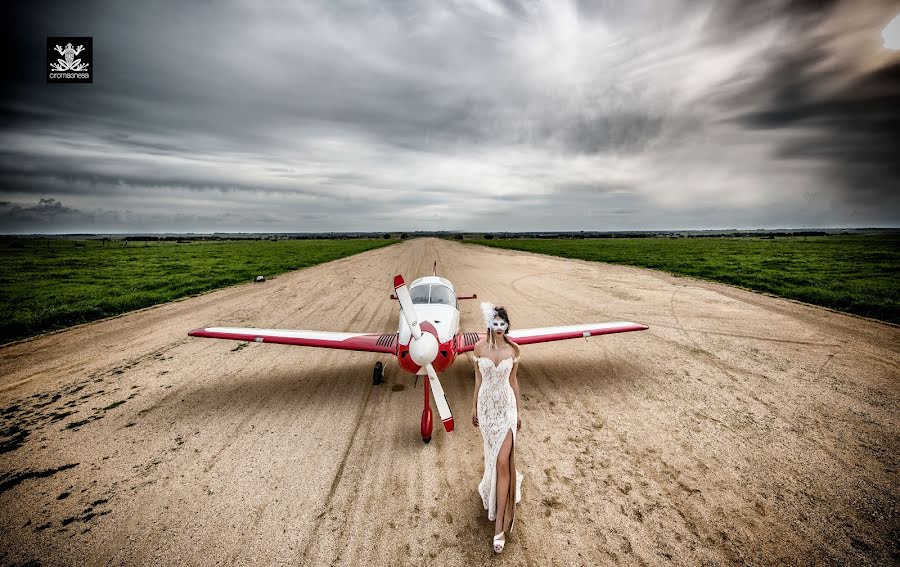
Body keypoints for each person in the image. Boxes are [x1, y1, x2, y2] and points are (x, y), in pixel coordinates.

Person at [471, 302, 523, 554]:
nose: (499, 328)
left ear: (507, 326)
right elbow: (478, 380)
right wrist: (473, 408)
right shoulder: (478, 348)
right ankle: (494, 492)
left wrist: (519, 412)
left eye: (503, 324)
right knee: (493, 460)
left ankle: (500, 527)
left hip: (507, 409)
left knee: (503, 461)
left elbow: (513, 381)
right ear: (489, 324)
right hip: (486, 410)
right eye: (495, 323)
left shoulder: (514, 350)